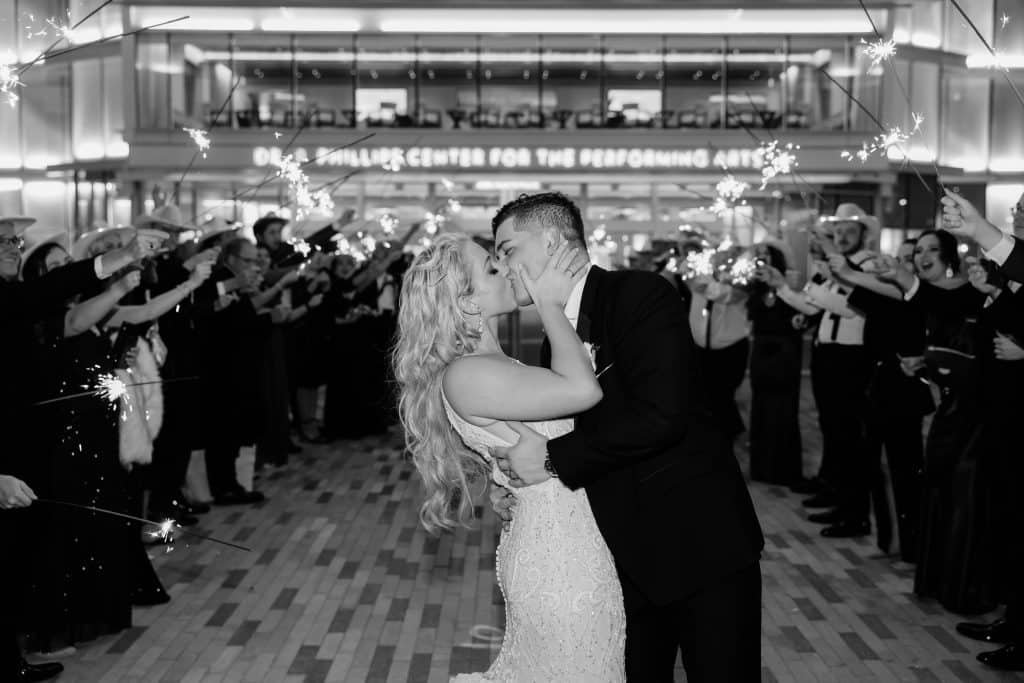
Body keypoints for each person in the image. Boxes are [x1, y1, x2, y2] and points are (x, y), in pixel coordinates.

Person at [490, 192, 764, 681]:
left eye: (508, 249)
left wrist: (550, 460)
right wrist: (515, 480)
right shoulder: (554, 336)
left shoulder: (639, 294)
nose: (501, 264)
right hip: (622, 555)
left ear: (552, 241)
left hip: (698, 541)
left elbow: (661, 416)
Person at [395, 233, 626, 680]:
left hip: (573, 547)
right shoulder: (467, 373)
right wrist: (550, 304)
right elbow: (584, 391)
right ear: (466, 303)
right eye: (491, 267)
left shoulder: (497, 365)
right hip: (561, 565)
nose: (506, 268)